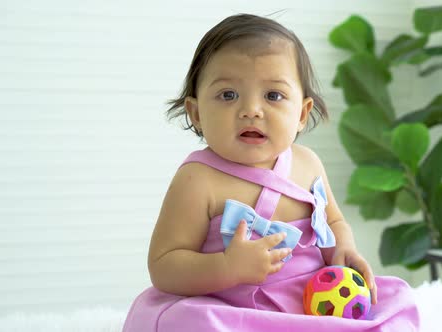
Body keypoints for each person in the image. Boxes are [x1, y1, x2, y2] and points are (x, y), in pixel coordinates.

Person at [122, 13, 419, 332]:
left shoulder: (308, 164)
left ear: (302, 113)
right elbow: (164, 266)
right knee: (191, 321)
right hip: (234, 312)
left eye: (273, 95)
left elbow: (332, 221)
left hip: (310, 303)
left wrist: (344, 248)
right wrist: (227, 267)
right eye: (228, 95)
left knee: (396, 299)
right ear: (196, 113)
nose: (251, 110)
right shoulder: (199, 179)